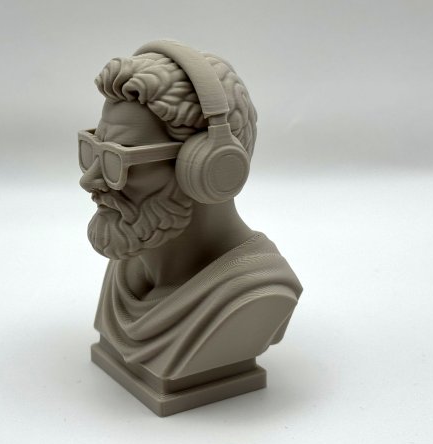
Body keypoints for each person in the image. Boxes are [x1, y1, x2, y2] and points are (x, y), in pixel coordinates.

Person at [78, 40, 303, 416]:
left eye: (119, 158)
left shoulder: (256, 294)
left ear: (207, 170)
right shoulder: (130, 253)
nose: (90, 181)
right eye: (94, 150)